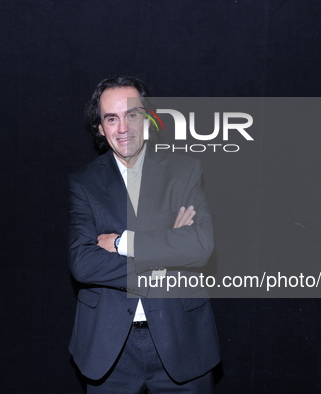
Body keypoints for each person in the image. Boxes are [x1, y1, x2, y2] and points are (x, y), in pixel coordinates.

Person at [68, 76, 220, 393]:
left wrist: (123, 243)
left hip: (182, 340)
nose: (123, 128)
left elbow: (201, 246)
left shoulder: (185, 170)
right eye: (112, 118)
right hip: (108, 348)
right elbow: (83, 263)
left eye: (132, 114)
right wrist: (167, 246)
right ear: (100, 127)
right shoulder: (83, 183)